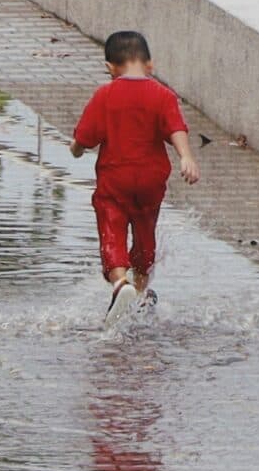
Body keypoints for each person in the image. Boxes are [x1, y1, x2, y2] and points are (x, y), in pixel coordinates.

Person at [72, 29, 199, 315]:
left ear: (109, 68)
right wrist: (186, 157)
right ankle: (140, 292)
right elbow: (176, 128)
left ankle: (120, 284)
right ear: (150, 64)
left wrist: (76, 148)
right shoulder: (163, 95)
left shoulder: (105, 94)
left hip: (115, 179)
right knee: (145, 235)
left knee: (112, 228)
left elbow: (85, 137)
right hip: (151, 182)